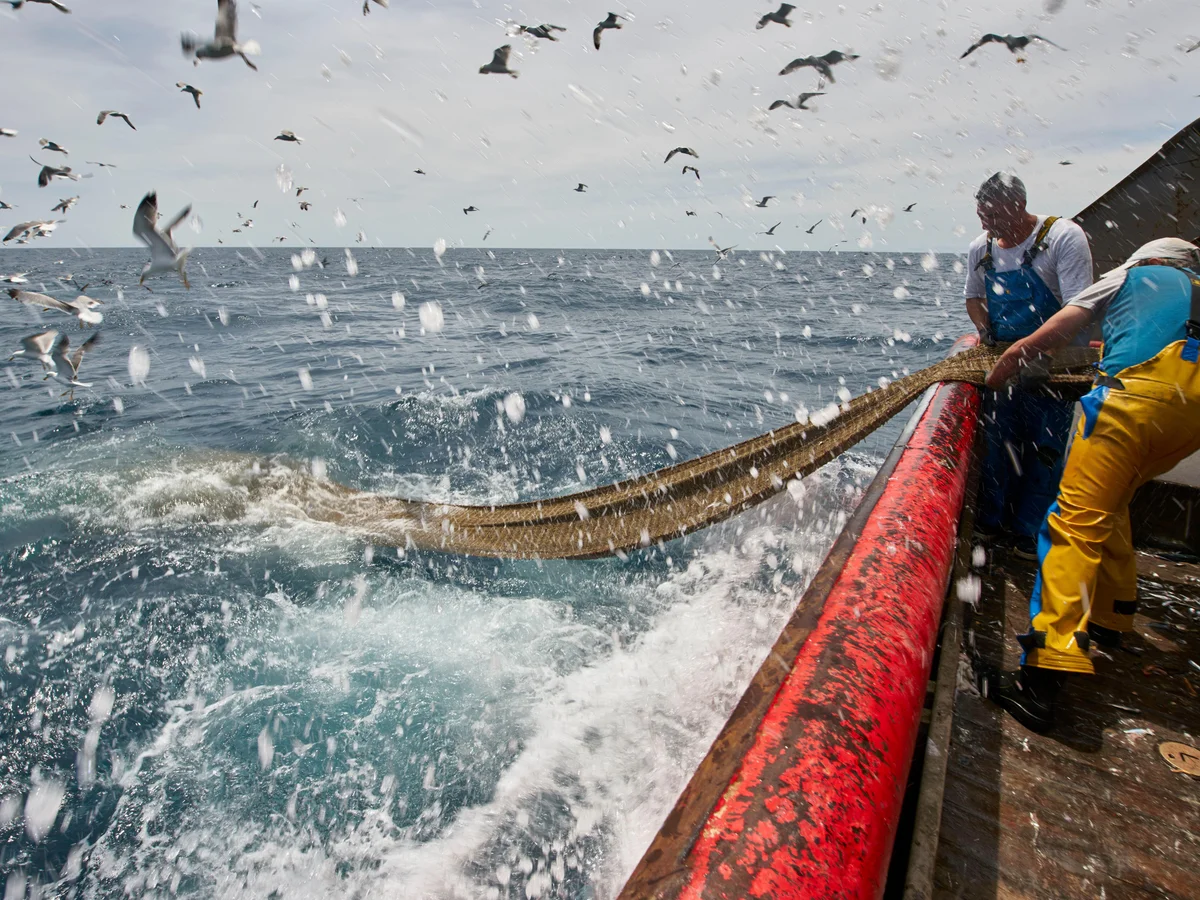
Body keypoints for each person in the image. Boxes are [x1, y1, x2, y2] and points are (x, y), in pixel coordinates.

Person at [980, 237, 1200, 732]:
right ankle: (1112, 618)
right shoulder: (1194, 290)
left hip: (1133, 403)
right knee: (1113, 501)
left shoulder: (1131, 274)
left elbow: (1057, 331)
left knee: (1073, 524)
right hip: (1190, 422)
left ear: (1147, 257)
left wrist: (1005, 366)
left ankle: (1044, 677)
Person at [963, 173, 1094, 557]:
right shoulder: (981, 247)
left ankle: (1027, 534)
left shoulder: (1062, 238)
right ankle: (990, 524)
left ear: (1018, 206)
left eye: (993, 215)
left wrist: (1044, 358)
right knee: (997, 445)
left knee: (1044, 450)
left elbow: (1077, 309)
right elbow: (973, 297)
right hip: (1003, 364)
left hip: (1052, 365)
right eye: (981, 215)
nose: (986, 224)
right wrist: (984, 329)